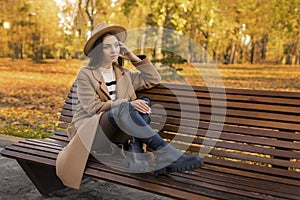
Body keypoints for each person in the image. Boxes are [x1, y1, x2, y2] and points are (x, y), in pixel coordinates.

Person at [56, 22, 204, 189]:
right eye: (107, 47)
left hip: (118, 135)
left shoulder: (124, 74)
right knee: (127, 107)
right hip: (91, 132)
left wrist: (134, 58)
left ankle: (137, 152)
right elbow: (91, 108)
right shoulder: (86, 74)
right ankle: (165, 153)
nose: (113, 51)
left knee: (144, 102)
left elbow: (153, 79)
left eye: (116, 46)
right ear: (98, 51)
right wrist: (126, 103)